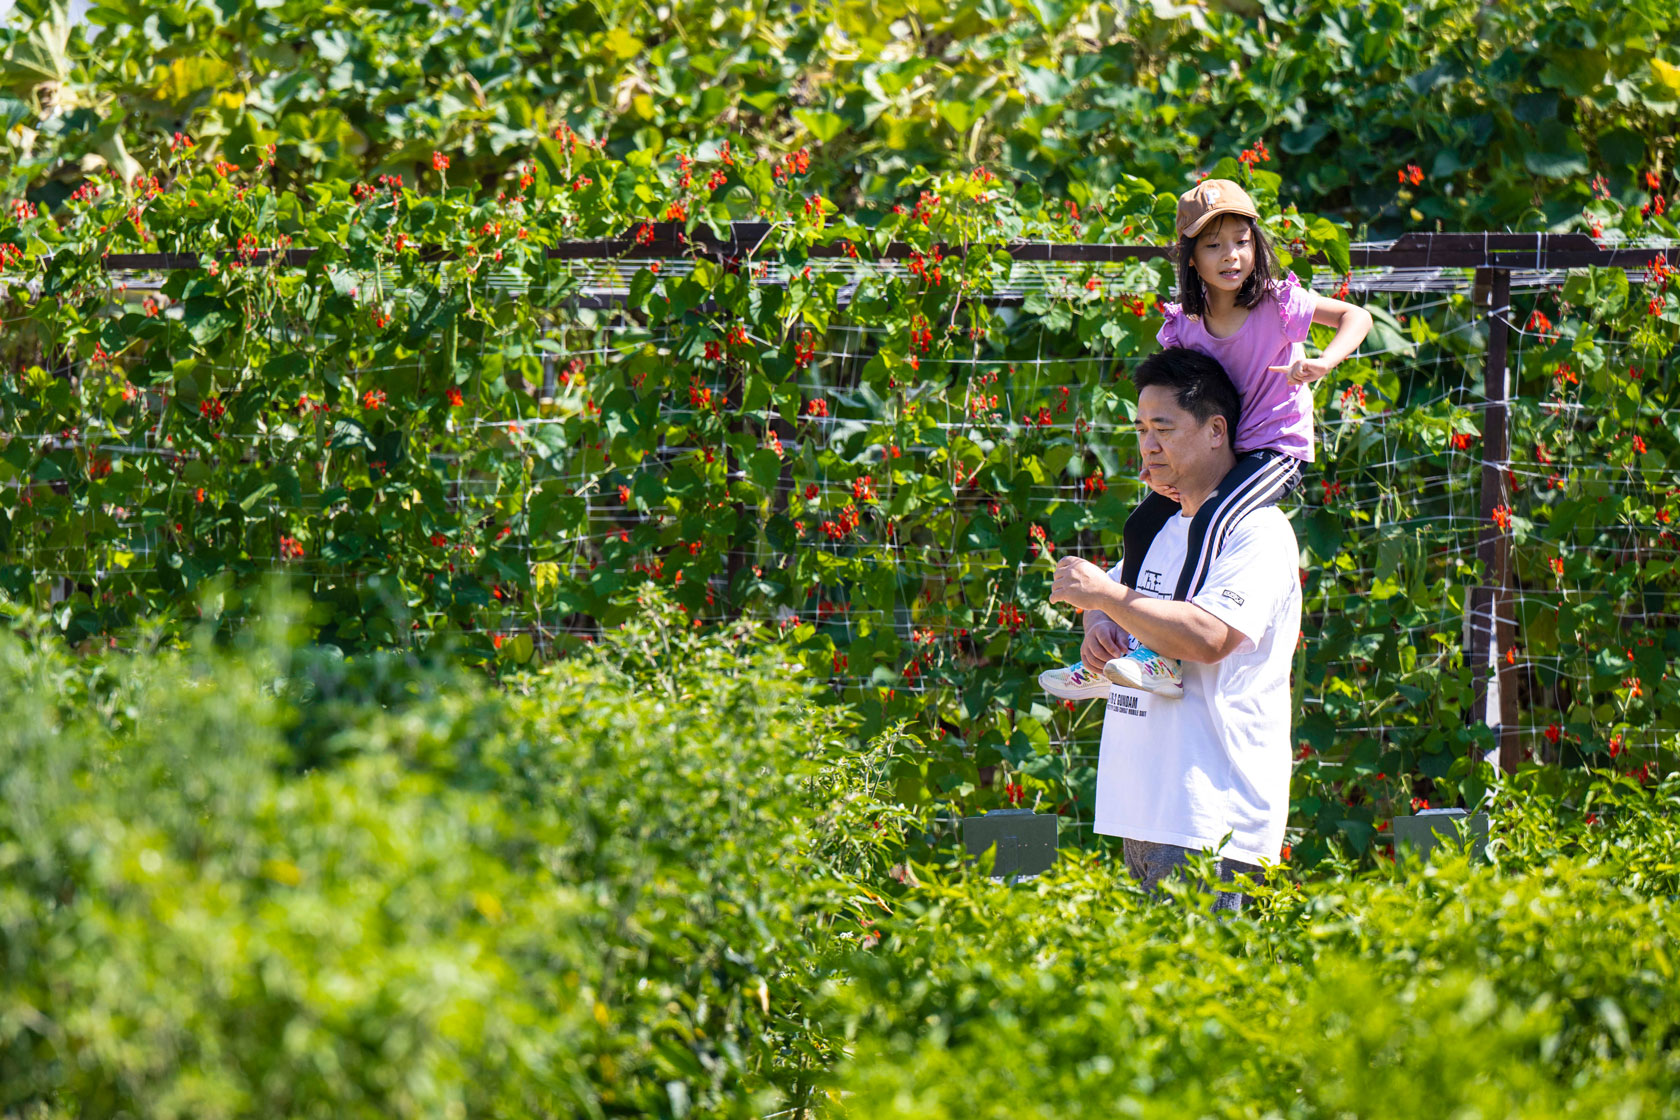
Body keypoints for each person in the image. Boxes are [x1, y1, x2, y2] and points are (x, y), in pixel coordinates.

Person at [1040, 177, 1370, 701]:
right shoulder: (1186, 325)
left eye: (1241, 240)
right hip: (1221, 450)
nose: (1231, 255)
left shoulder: (1278, 305)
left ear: (1256, 245)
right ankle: (1110, 653)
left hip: (1274, 449)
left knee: (1212, 519)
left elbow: (1357, 315)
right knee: (1144, 519)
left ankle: (1161, 658)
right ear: (1191, 259)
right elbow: (1175, 408)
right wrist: (1162, 463)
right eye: (1213, 245)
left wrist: (1324, 361)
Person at [1048, 346, 1302, 911]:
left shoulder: (1256, 531)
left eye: (1163, 427)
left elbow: (1209, 638)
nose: (1147, 444)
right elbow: (1115, 599)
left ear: (1217, 431)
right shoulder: (1167, 521)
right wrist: (1098, 624)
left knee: (1209, 991)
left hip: (1212, 819)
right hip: (1147, 810)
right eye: (1140, 428)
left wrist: (1107, 597)